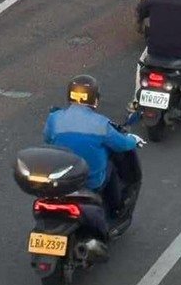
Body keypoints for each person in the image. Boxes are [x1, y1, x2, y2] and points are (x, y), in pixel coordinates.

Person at [43, 74, 141, 218]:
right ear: (95, 99)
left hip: (61, 179)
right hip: (90, 182)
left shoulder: (55, 118)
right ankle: (116, 209)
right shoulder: (101, 124)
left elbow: (47, 138)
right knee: (111, 167)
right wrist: (133, 140)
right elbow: (121, 144)